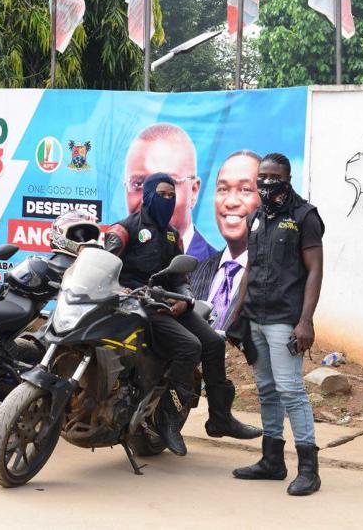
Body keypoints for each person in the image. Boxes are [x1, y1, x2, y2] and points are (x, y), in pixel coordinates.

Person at [106, 172, 261, 457]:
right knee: (189, 347)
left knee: (213, 343)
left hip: (168, 302)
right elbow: (105, 268)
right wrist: (123, 289)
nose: (166, 199)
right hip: (138, 306)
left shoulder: (172, 235)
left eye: (171, 195)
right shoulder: (124, 229)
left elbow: (181, 277)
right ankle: (167, 418)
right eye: (161, 193)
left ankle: (220, 417)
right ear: (147, 193)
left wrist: (186, 300)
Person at [230, 153, 325, 496]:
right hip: (255, 316)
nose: (267, 182)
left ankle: (309, 470)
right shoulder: (256, 217)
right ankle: (272, 461)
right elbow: (250, 269)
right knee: (267, 390)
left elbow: (315, 270)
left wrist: (306, 321)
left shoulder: (304, 216)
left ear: (287, 178)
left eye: (274, 176)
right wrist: (236, 313)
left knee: (291, 390)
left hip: (286, 320)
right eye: (262, 176)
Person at [124, 123, 218, 261]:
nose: (150, 200)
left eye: (166, 186)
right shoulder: (111, 263)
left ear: (193, 191)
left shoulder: (218, 274)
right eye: (138, 184)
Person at [190, 150, 262, 330]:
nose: (230, 202)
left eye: (245, 190)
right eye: (223, 189)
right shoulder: (195, 271)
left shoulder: (276, 279)